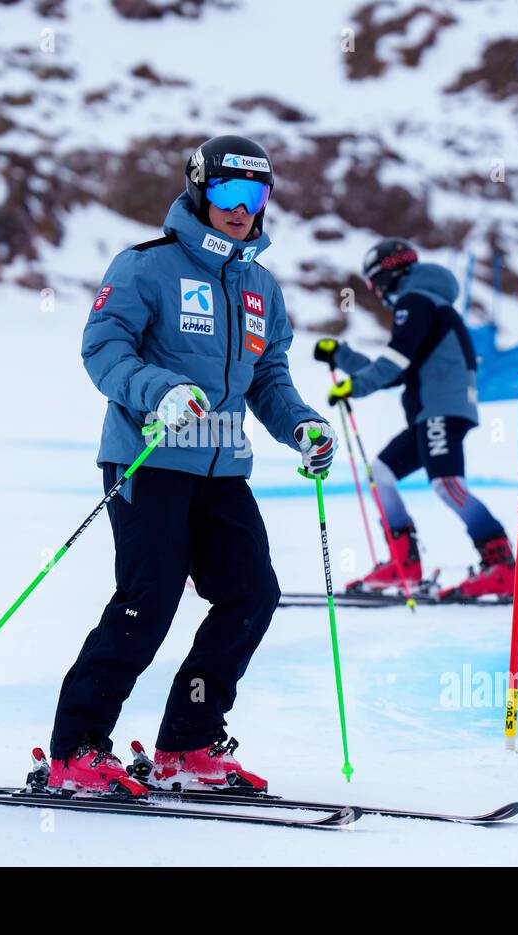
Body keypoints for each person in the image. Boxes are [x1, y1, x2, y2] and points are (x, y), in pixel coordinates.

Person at [47, 135, 335, 796]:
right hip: (147, 459)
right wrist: (160, 391)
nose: (242, 209)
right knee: (148, 602)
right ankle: (76, 751)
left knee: (251, 594)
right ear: (201, 191)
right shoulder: (146, 267)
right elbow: (103, 350)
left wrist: (304, 427)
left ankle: (187, 745)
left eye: (255, 195)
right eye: (229, 194)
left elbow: (270, 382)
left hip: (223, 467)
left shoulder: (261, 285)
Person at [314, 238, 514, 599]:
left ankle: (502, 567)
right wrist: (343, 357)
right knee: (382, 475)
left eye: (375, 284)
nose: (377, 293)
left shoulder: (416, 300)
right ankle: (403, 564)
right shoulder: (426, 304)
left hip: (441, 410)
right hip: (431, 412)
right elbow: (396, 370)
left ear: (387, 275)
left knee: (447, 485)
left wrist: (353, 386)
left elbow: (396, 360)